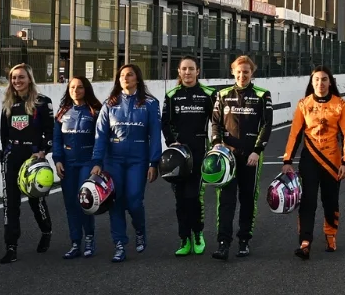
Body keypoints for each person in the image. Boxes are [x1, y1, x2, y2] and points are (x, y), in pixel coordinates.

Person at [91, 63, 162, 263]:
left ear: (137, 79)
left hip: (138, 160)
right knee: (115, 202)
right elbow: (101, 135)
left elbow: (155, 135)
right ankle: (120, 244)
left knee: (134, 201)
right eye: (122, 75)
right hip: (113, 160)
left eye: (129, 75)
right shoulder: (109, 103)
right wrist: (97, 161)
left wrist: (153, 162)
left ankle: (140, 230)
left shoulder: (150, 103)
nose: (125, 78)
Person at [282, 66, 345, 260]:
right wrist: (287, 159)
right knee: (308, 201)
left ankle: (330, 235)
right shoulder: (303, 104)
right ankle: (305, 242)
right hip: (309, 160)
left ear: (330, 82)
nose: (320, 83)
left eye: (324, 80)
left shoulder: (340, 104)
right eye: (316, 80)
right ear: (311, 82)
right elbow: (295, 134)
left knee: (330, 202)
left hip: (333, 162)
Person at [209, 55, 271, 261]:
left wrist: (257, 151)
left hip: (251, 157)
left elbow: (266, 125)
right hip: (227, 157)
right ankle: (223, 243)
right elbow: (215, 122)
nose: (242, 75)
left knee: (247, 199)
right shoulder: (222, 94)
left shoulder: (262, 95)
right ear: (232, 72)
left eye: (246, 71)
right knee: (225, 201)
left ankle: (244, 240)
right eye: (239, 71)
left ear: (252, 73)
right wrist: (217, 144)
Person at [0, 63, 55, 264]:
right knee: (10, 204)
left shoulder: (42, 102)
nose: (17, 81)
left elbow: (50, 131)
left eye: (21, 77)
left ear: (29, 79)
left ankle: (46, 230)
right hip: (12, 156)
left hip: (33, 158)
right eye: (14, 78)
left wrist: (43, 151)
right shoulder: (8, 102)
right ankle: (11, 246)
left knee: (35, 199)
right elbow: (3, 134)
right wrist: (5, 154)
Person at [163, 57, 217, 256]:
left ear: (197, 71)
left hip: (200, 154)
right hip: (177, 156)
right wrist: (171, 142)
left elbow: (217, 122)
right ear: (179, 71)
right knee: (180, 200)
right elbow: (165, 123)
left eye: (191, 69)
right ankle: (184, 239)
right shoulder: (171, 95)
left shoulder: (208, 94)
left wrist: (216, 145)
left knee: (194, 198)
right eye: (184, 69)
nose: (187, 72)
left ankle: (198, 234)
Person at [53, 75, 101, 259]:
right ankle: (75, 242)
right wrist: (57, 160)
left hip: (87, 163)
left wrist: (97, 163)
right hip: (67, 164)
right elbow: (57, 139)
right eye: (72, 87)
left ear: (86, 89)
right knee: (70, 204)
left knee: (84, 202)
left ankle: (89, 238)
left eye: (79, 87)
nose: (75, 90)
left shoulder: (95, 111)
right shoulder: (62, 112)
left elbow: (100, 139)